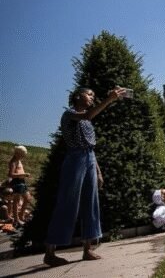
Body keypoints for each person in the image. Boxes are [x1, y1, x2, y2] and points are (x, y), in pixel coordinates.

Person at [43, 86, 126, 267]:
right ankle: (49, 253)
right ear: (78, 96)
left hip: (89, 159)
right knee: (67, 203)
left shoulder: (87, 120)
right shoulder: (69, 114)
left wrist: (97, 170)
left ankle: (87, 249)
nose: (92, 98)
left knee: (91, 203)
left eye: (93, 96)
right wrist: (109, 100)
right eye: (89, 94)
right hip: (74, 159)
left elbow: (90, 146)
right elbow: (87, 116)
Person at [7, 145, 33, 227]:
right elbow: (10, 174)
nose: (23, 156)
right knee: (16, 201)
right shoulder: (13, 161)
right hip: (16, 183)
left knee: (28, 198)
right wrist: (24, 174)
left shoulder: (19, 160)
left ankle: (21, 215)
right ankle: (16, 219)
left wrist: (24, 175)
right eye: (22, 155)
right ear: (18, 153)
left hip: (22, 182)